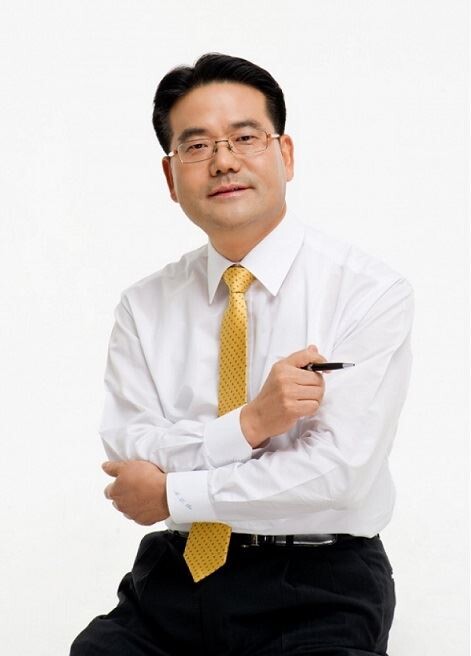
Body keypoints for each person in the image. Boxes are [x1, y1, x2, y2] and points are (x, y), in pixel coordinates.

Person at [70, 53, 414, 656]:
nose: (223, 160)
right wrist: (250, 425)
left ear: (286, 155)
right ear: (170, 176)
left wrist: (173, 493)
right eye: (197, 146)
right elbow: (130, 451)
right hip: (176, 574)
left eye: (245, 137)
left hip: (320, 582)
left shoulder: (366, 292)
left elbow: (337, 475)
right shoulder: (144, 306)